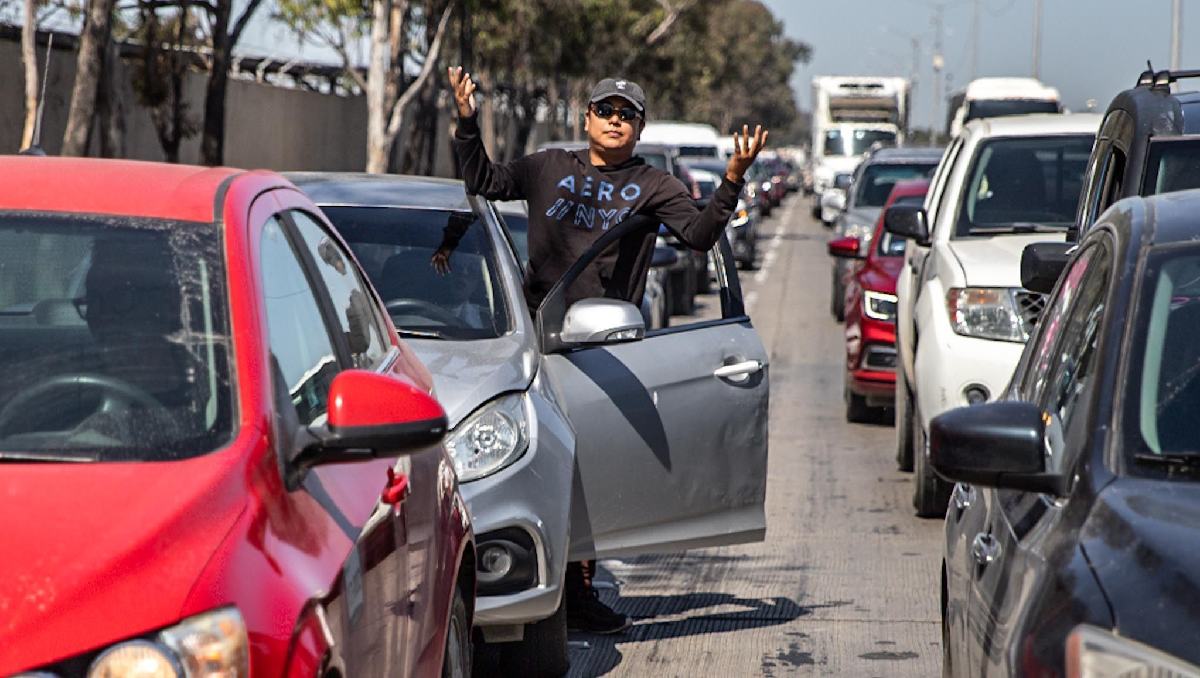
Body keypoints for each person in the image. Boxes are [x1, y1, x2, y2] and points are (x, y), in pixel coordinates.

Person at [438, 66, 770, 635]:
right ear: (586, 118)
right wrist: (467, 119)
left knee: (587, 469)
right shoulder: (547, 166)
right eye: (606, 111)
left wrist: (733, 178)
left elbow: (698, 236)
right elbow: (484, 181)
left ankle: (580, 590)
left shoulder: (655, 185)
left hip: (601, 344)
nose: (615, 120)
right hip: (532, 339)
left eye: (627, 115)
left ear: (638, 129)